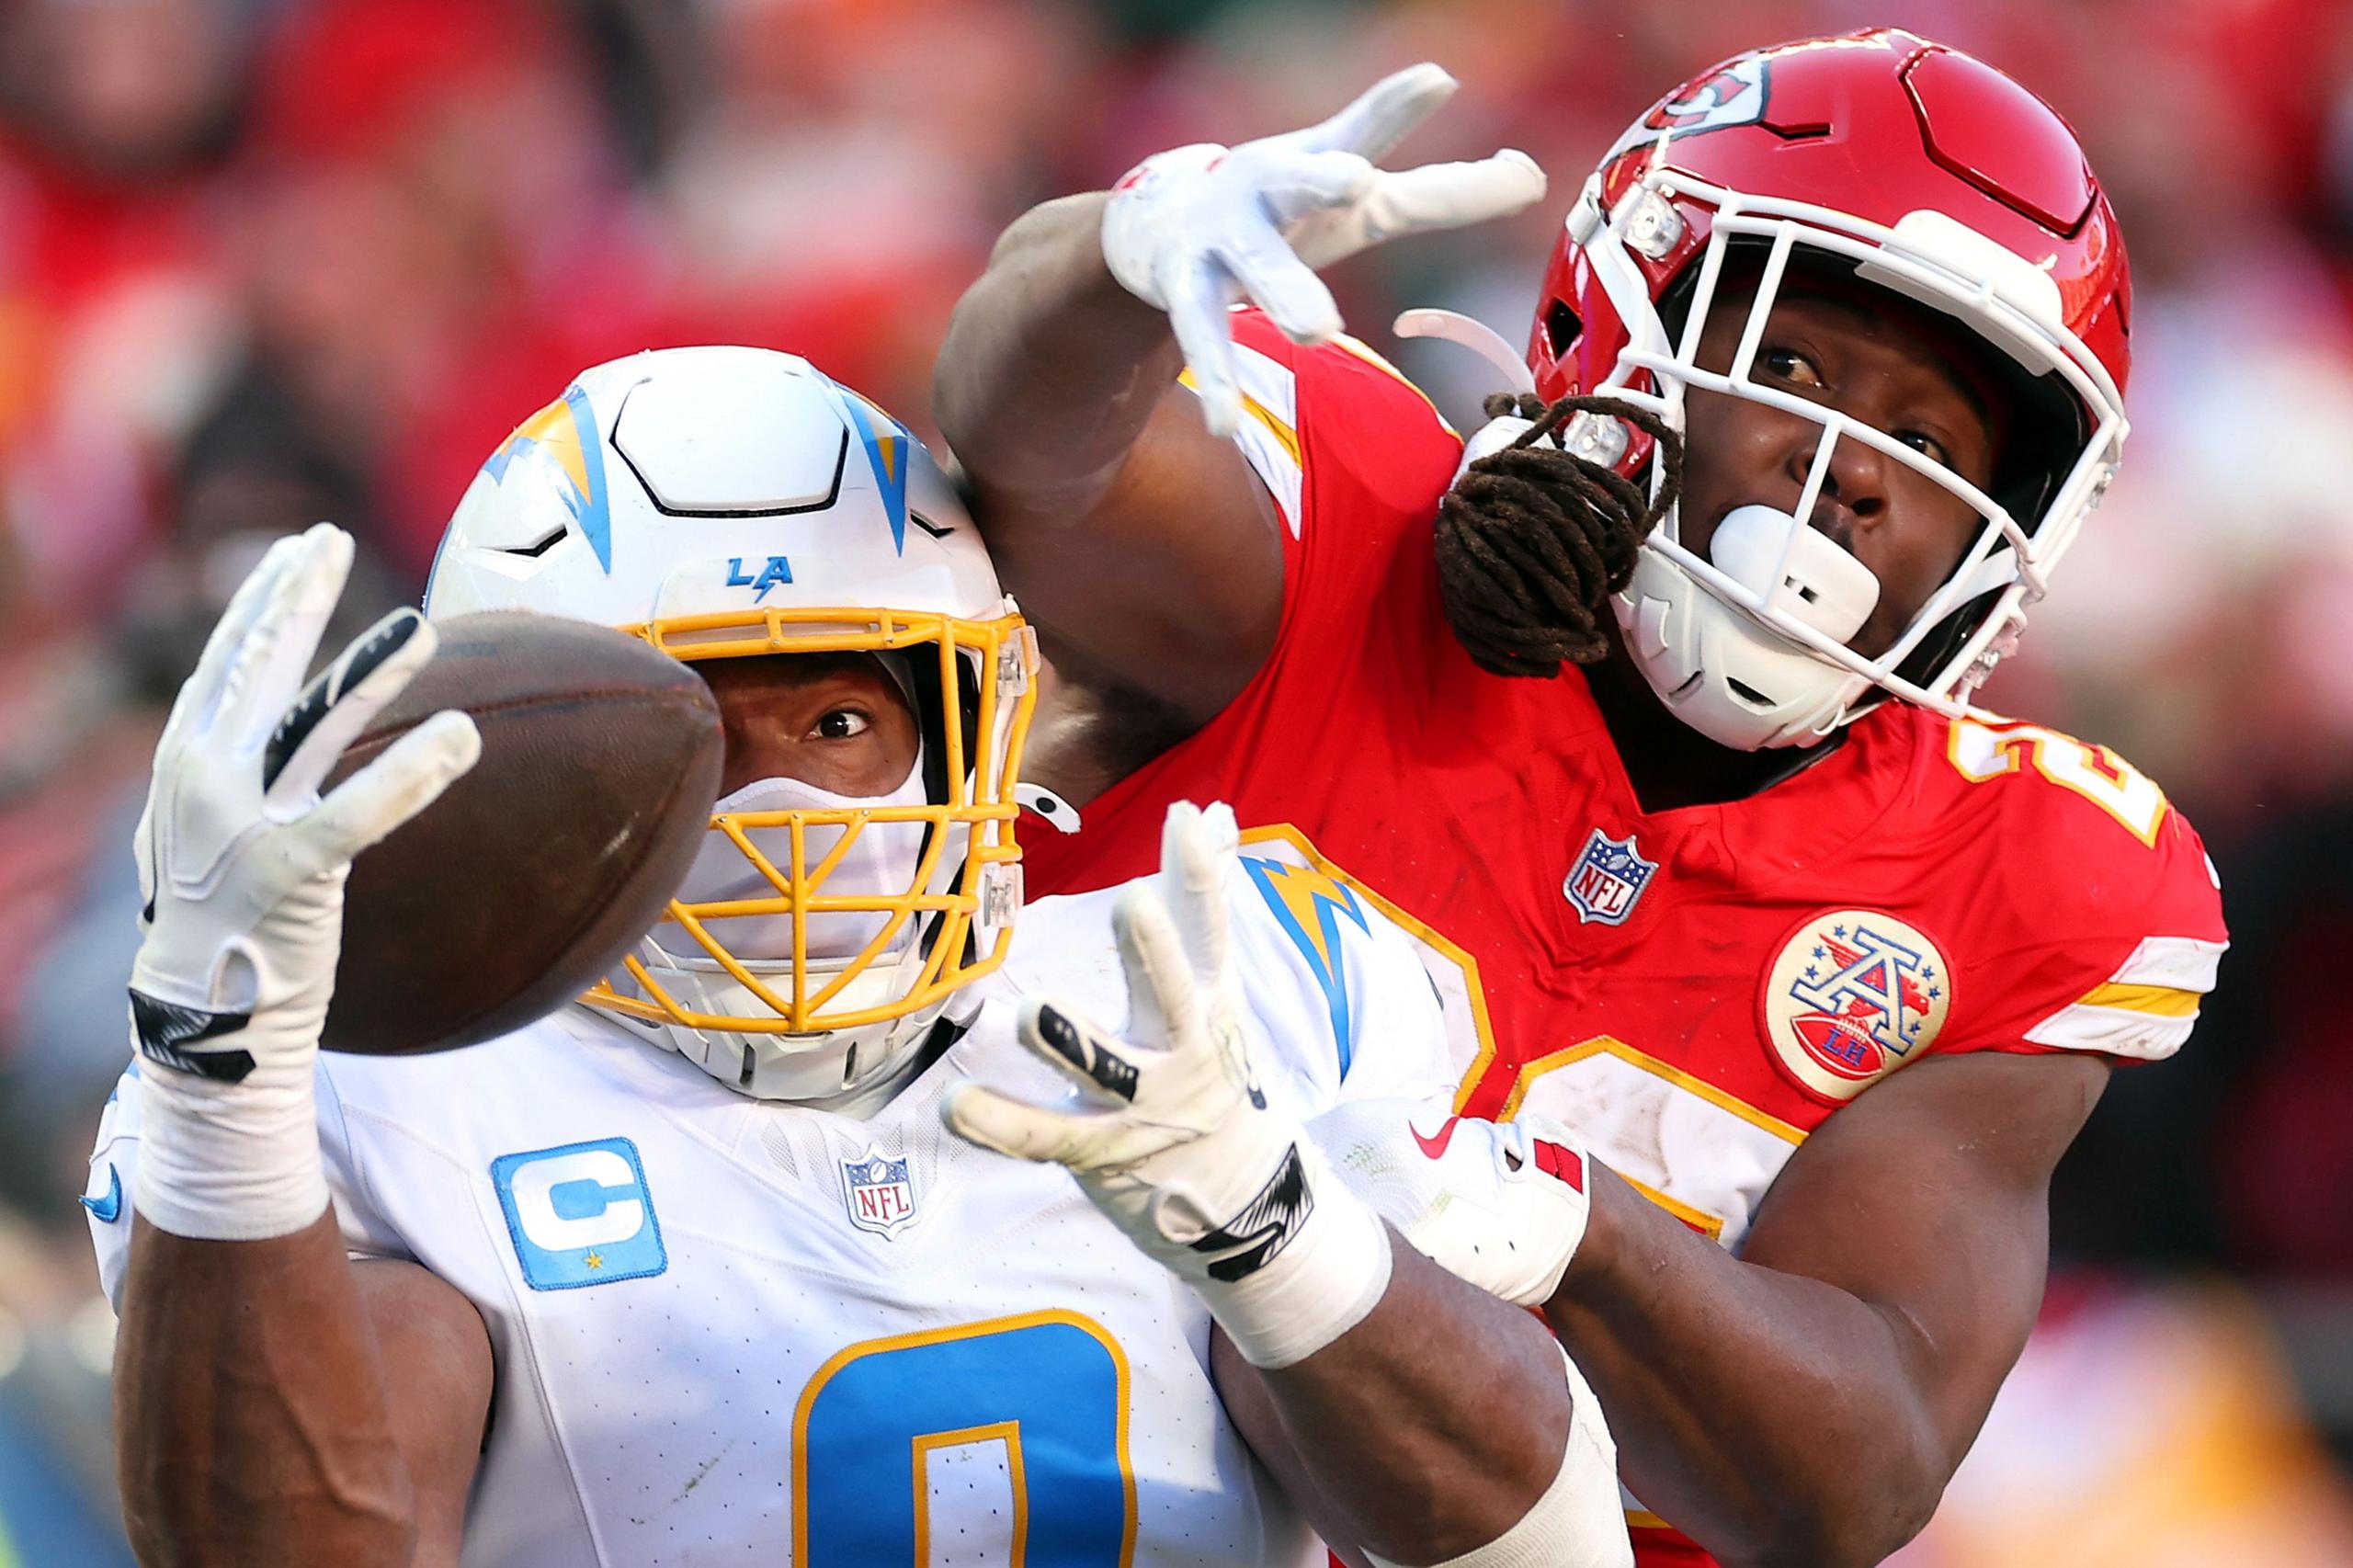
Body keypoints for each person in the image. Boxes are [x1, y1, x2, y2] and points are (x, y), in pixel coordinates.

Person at [931, 28, 2230, 1568]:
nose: (1850, 471)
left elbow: (1843, 1480)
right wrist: (1122, 254)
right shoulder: (1343, 539)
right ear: (1612, 332)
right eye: (1795, 364)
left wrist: (1554, 1219)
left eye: (1930, 442)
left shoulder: (2024, 872)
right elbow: (1032, 447)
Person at [87, 347, 1630, 1567]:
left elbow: (1530, 1550)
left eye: (838, 724)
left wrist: (1276, 1233)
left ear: (976, 719)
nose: (781, 816)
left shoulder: (1205, 980)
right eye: (686, 742)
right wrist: (220, 1087)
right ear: (514, 783)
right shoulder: (399, 1101)